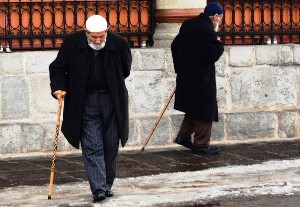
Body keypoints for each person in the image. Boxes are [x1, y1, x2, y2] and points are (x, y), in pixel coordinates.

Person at [49, 15, 132, 202]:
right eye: (93, 37)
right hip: (84, 101)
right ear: (86, 33)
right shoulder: (72, 43)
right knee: (93, 146)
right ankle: (98, 188)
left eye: (101, 37)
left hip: (112, 101)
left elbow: (125, 69)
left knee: (111, 145)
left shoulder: (118, 44)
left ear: (107, 32)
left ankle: (106, 184)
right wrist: (58, 87)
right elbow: (58, 68)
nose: (97, 40)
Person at [171, 2, 224, 154]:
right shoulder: (208, 30)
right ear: (215, 16)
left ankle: (183, 136)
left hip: (186, 76)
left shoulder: (188, 24)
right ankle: (202, 145)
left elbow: (175, 45)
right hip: (202, 79)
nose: (219, 21)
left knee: (192, 108)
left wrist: (180, 69)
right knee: (205, 111)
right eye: (219, 18)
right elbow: (211, 55)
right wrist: (219, 45)